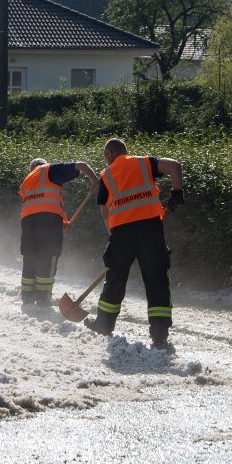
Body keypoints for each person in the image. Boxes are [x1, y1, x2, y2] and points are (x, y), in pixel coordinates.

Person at [84, 138, 183, 347]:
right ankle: (159, 336)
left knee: (115, 279)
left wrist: (112, 233)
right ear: (125, 151)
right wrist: (176, 193)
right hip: (151, 230)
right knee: (157, 280)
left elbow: (104, 209)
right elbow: (175, 166)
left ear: (110, 154)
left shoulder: (106, 175)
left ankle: (103, 324)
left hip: (122, 232)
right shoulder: (143, 162)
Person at [18, 157, 98, 308]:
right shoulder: (49, 169)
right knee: (49, 257)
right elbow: (80, 165)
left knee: (30, 258)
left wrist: (62, 223)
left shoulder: (26, 181)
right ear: (42, 165)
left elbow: (39, 207)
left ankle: (27, 298)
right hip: (48, 224)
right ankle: (43, 300)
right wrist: (94, 180)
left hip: (28, 224)